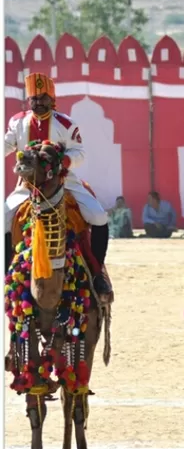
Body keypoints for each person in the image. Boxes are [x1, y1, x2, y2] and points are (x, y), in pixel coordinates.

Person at [3, 73, 112, 295]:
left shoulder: (66, 123)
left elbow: (79, 153)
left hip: (64, 181)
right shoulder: (17, 122)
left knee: (99, 216)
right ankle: (6, 272)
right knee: (3, 218)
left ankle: (97, 273)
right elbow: (6, 145)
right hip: (28, 186)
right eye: (33, 98)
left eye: (43, 98)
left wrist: (61, 161)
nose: (38, 102)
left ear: (52, 99)